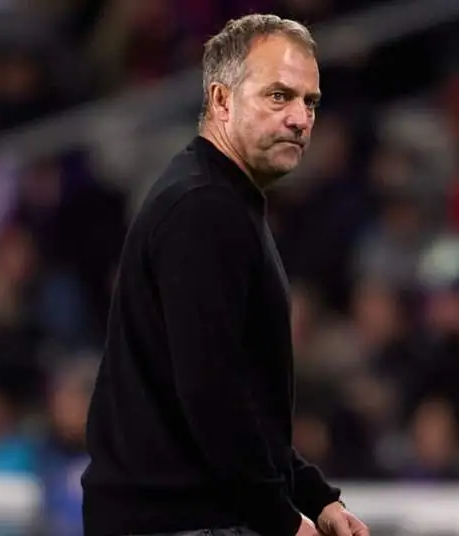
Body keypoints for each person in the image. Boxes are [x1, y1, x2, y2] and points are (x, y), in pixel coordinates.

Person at [81, 13, 370, 536]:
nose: (300, 119)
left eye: (310, 102)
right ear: (221, 100)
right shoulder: (205, 208)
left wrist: (312, 495)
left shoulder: (217, 199)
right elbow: (211, 396)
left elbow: (239, 395)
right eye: (279, 96)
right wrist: (284, 519)